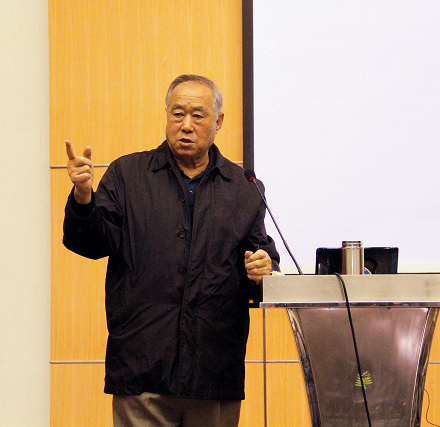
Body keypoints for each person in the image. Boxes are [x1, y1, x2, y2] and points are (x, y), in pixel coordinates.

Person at [63, 74, 280, 427]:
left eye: (198, 115)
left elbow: (260, 269)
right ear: (166, 117)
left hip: (213, 372)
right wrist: (83, 196)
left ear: (218, 122)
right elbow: (90, 244)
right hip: (142, 369)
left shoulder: (243, 188)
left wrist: (261, 270)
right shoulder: (128, 175)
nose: (186, 125)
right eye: (178, 114)